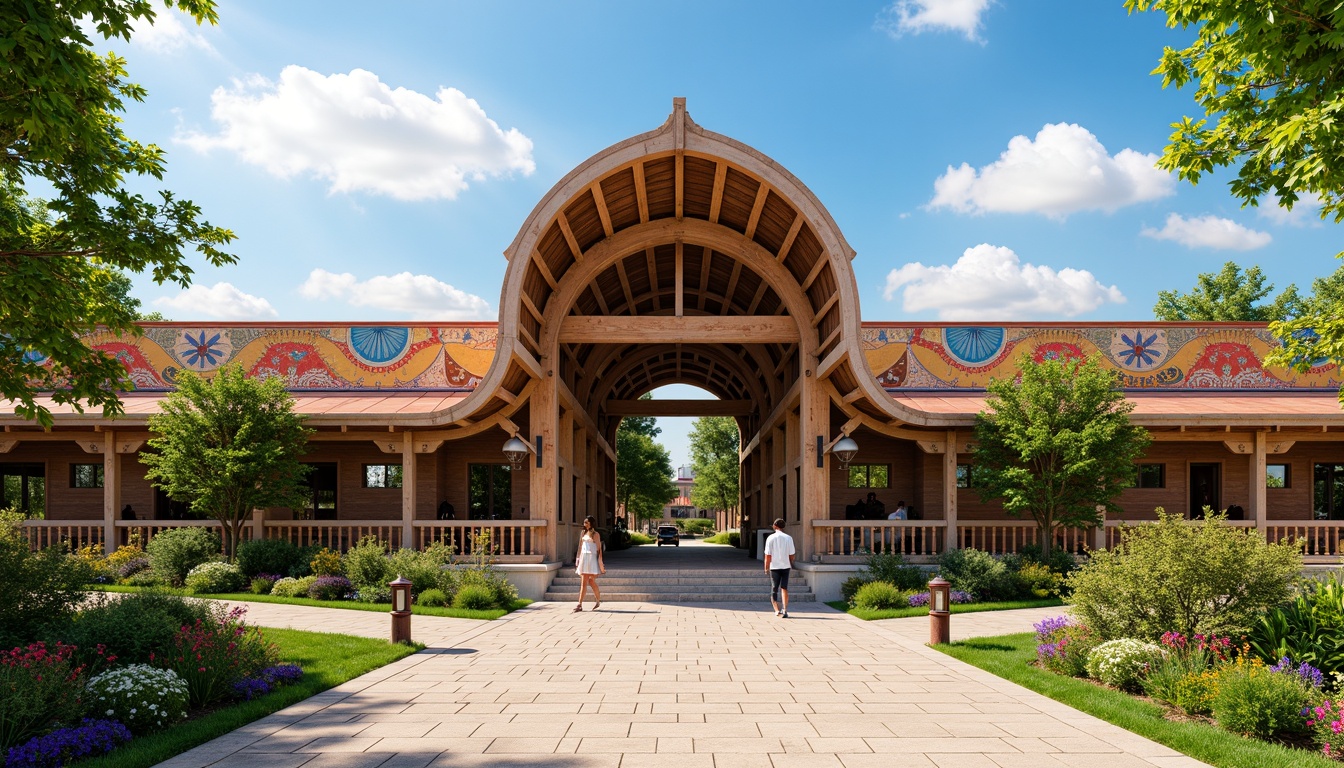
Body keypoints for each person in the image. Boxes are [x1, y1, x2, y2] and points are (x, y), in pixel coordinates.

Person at [763, 517, 796, 618]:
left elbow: (768, 555)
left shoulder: (770, 538)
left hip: (774, 566)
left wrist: (766, 567)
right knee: (784, 588)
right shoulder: (788, 538)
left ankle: (777, 610)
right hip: (785, 566)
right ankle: (785, 609)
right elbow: (792, 554)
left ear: (775, 526)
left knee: (774, 588)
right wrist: (790, 562)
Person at [574, 515, 605, 612]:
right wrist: (578, 558)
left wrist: (600, 561)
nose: (585, 524)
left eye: (586, 522)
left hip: (591, 558)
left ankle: (598, 600)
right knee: (584, 582)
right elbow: (580, 546)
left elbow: (599, 549)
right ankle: (579, 604)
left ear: (591, 523)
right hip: (584, 557)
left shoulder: (595, 534)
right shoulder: (583, 533)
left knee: (591, 581)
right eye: (584, 522)